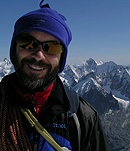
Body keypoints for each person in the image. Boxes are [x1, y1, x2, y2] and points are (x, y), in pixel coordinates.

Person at [0, 1, 110, 151]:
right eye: (27, 43)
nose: (39, 55)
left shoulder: (82, 118)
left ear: (61, 58)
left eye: (52, 47)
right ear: (14, 49)